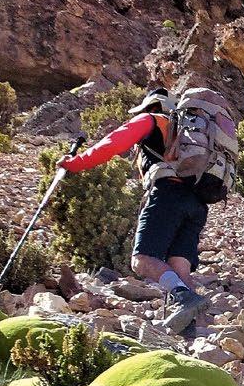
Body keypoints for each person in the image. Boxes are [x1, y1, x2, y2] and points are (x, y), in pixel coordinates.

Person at [58, 87, 208, 319]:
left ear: (151, 106)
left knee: (142, 260)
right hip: (197, 201)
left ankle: (184, 298)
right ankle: (189, 327)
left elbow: (113, 143)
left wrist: (76, 163)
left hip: (168, 193)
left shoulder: (152, 119)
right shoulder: (190, 134)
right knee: (180, 267)